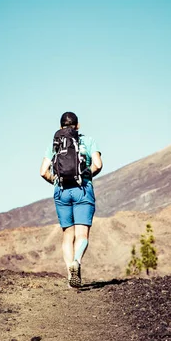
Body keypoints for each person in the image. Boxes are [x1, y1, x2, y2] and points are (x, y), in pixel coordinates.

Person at [40, 112, 102, 288]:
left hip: (61, 191)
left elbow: (43, 171)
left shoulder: (55, 144)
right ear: (78, 125)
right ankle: (77, 261)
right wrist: (86, 175)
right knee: (82, 235)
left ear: (60, 127)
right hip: (83, 190)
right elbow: (97, 164)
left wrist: (56, 180)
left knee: (68, 235)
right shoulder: (88, 141)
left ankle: (70, 275)